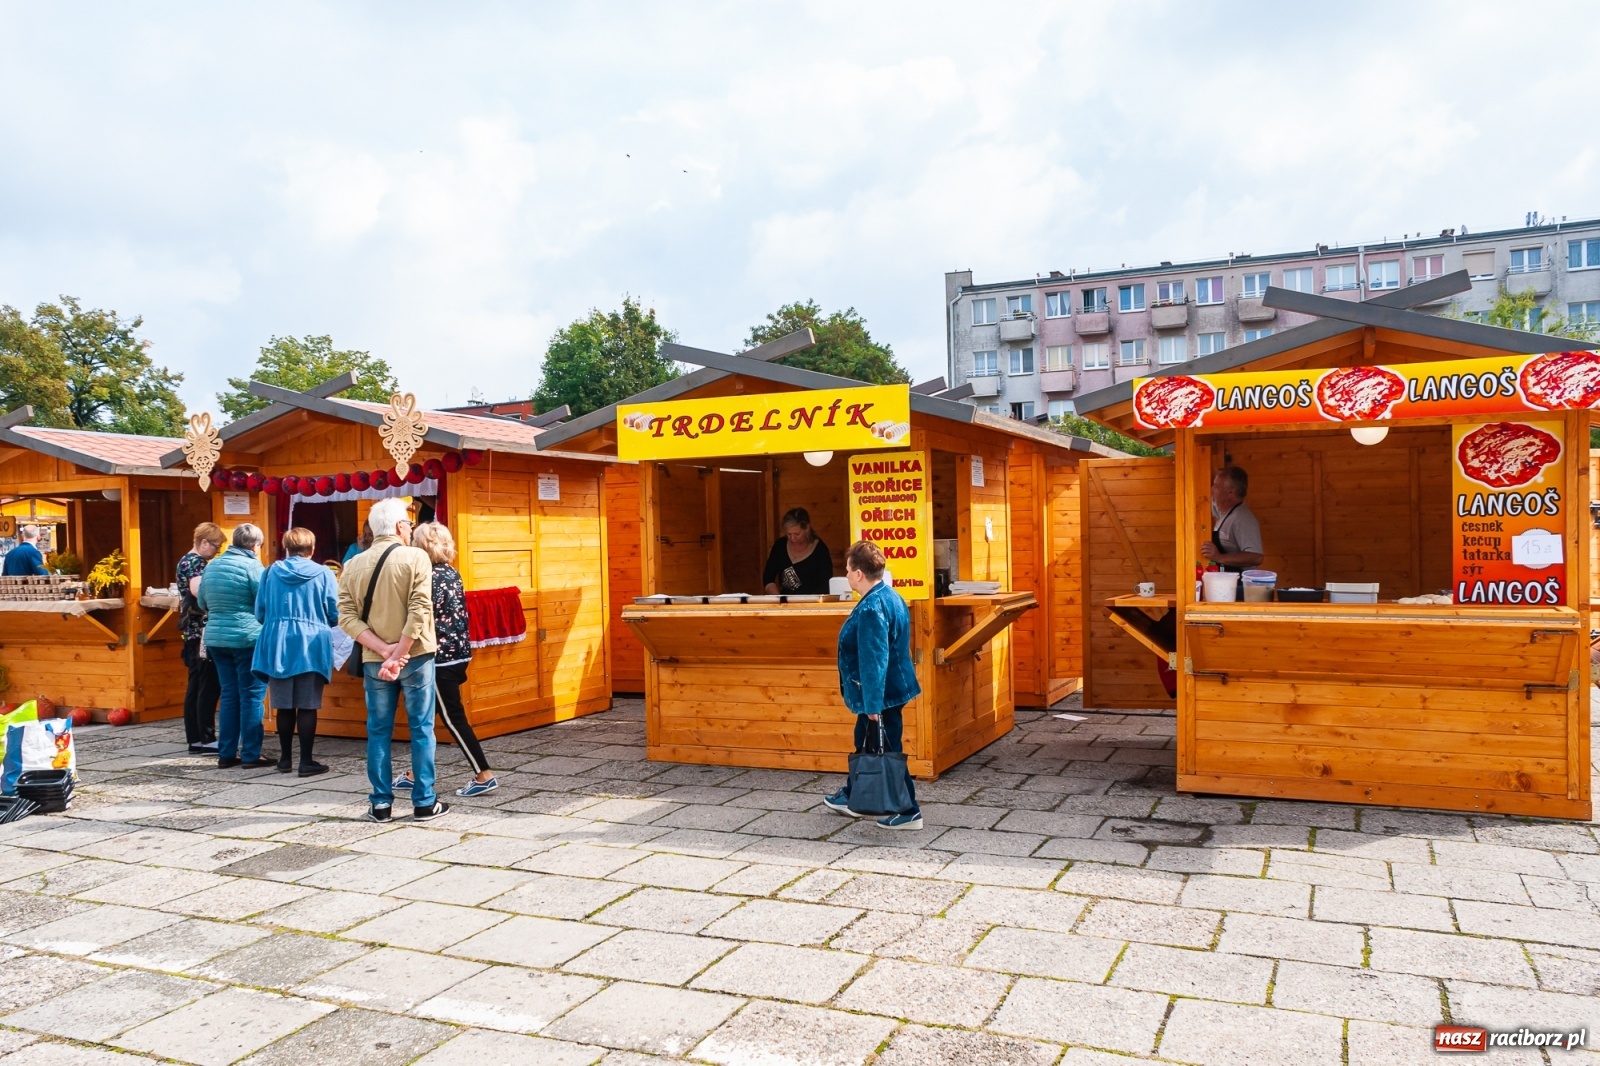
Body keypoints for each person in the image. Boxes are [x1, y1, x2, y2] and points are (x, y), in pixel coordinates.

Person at [339, 497, 447, 822]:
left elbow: (346, 617)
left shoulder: (354, 563)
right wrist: (397, 653)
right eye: (409, 524)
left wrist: (384, 652)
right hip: (414, 655)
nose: (411, 528)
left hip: (375, 658)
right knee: (421, 728)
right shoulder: (416, 557)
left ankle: (381, 804)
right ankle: (424, 801)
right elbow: (419, 611)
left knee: (378, 730)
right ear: (401, 526)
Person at [822, 540, 923, 830]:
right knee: (865, 742)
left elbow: (874, 659)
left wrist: (873, 705)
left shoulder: (870, 608)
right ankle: (853, 795)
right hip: (893, 687)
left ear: (857, 574)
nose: (846, 573)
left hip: (881, 693)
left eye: (847, 569)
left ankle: (909, 810)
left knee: (887, 750)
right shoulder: (891, 596)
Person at [395, 522, 497, 797]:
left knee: (452, 718)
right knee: (426, 714)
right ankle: (416, 773)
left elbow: (419, 615)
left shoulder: (427, 576)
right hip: (458, 652)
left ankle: (483, 774)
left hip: (439, 657)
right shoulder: (451, 572)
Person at [253, 527, 339, 778]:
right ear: (312, 550)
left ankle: (285, 759)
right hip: (311, 642)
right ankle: (306, 761)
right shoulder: (324, 573)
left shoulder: (270, 572)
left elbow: (260, 612)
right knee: (308, 704)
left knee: (284, 705)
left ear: (286, 548)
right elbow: (333, 612)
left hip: (278, 640)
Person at [198, 523, 271, 769]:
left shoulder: (212, 565)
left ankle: (226, 753)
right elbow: (264, 603)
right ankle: (251, 754)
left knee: (229, 694)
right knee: (251, 695)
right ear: (254, 545)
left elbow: (201, 601)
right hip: (247, 638)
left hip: (217, 639)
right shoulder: (253, 566)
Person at [177, 522, 225, 754]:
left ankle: (195, 738)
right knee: (207, 684)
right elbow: (198, 591)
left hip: (192, 632)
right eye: (216, 546)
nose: (217, 550)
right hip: (201, 631)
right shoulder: (196, 563)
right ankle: (206, 738)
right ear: (204, 542)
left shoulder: (185, 560)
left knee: (196, 684)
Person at [1199, 466, 1264, 572]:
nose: (1211, 490)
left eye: (1216, 486)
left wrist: (1218, 557)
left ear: (1230, 492)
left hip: (1240, 585)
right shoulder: (1224, 513)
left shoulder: (1242, 518)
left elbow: (1256, 557)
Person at [762, 507, 834, 594]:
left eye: (797, 534)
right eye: (789, 534)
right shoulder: (780, 546)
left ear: (807, 528)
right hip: (785, 603)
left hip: (812, 603)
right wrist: (778, 598)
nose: (792, 538)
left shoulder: (819, 549)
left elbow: (825, 583)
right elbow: (768, 577)